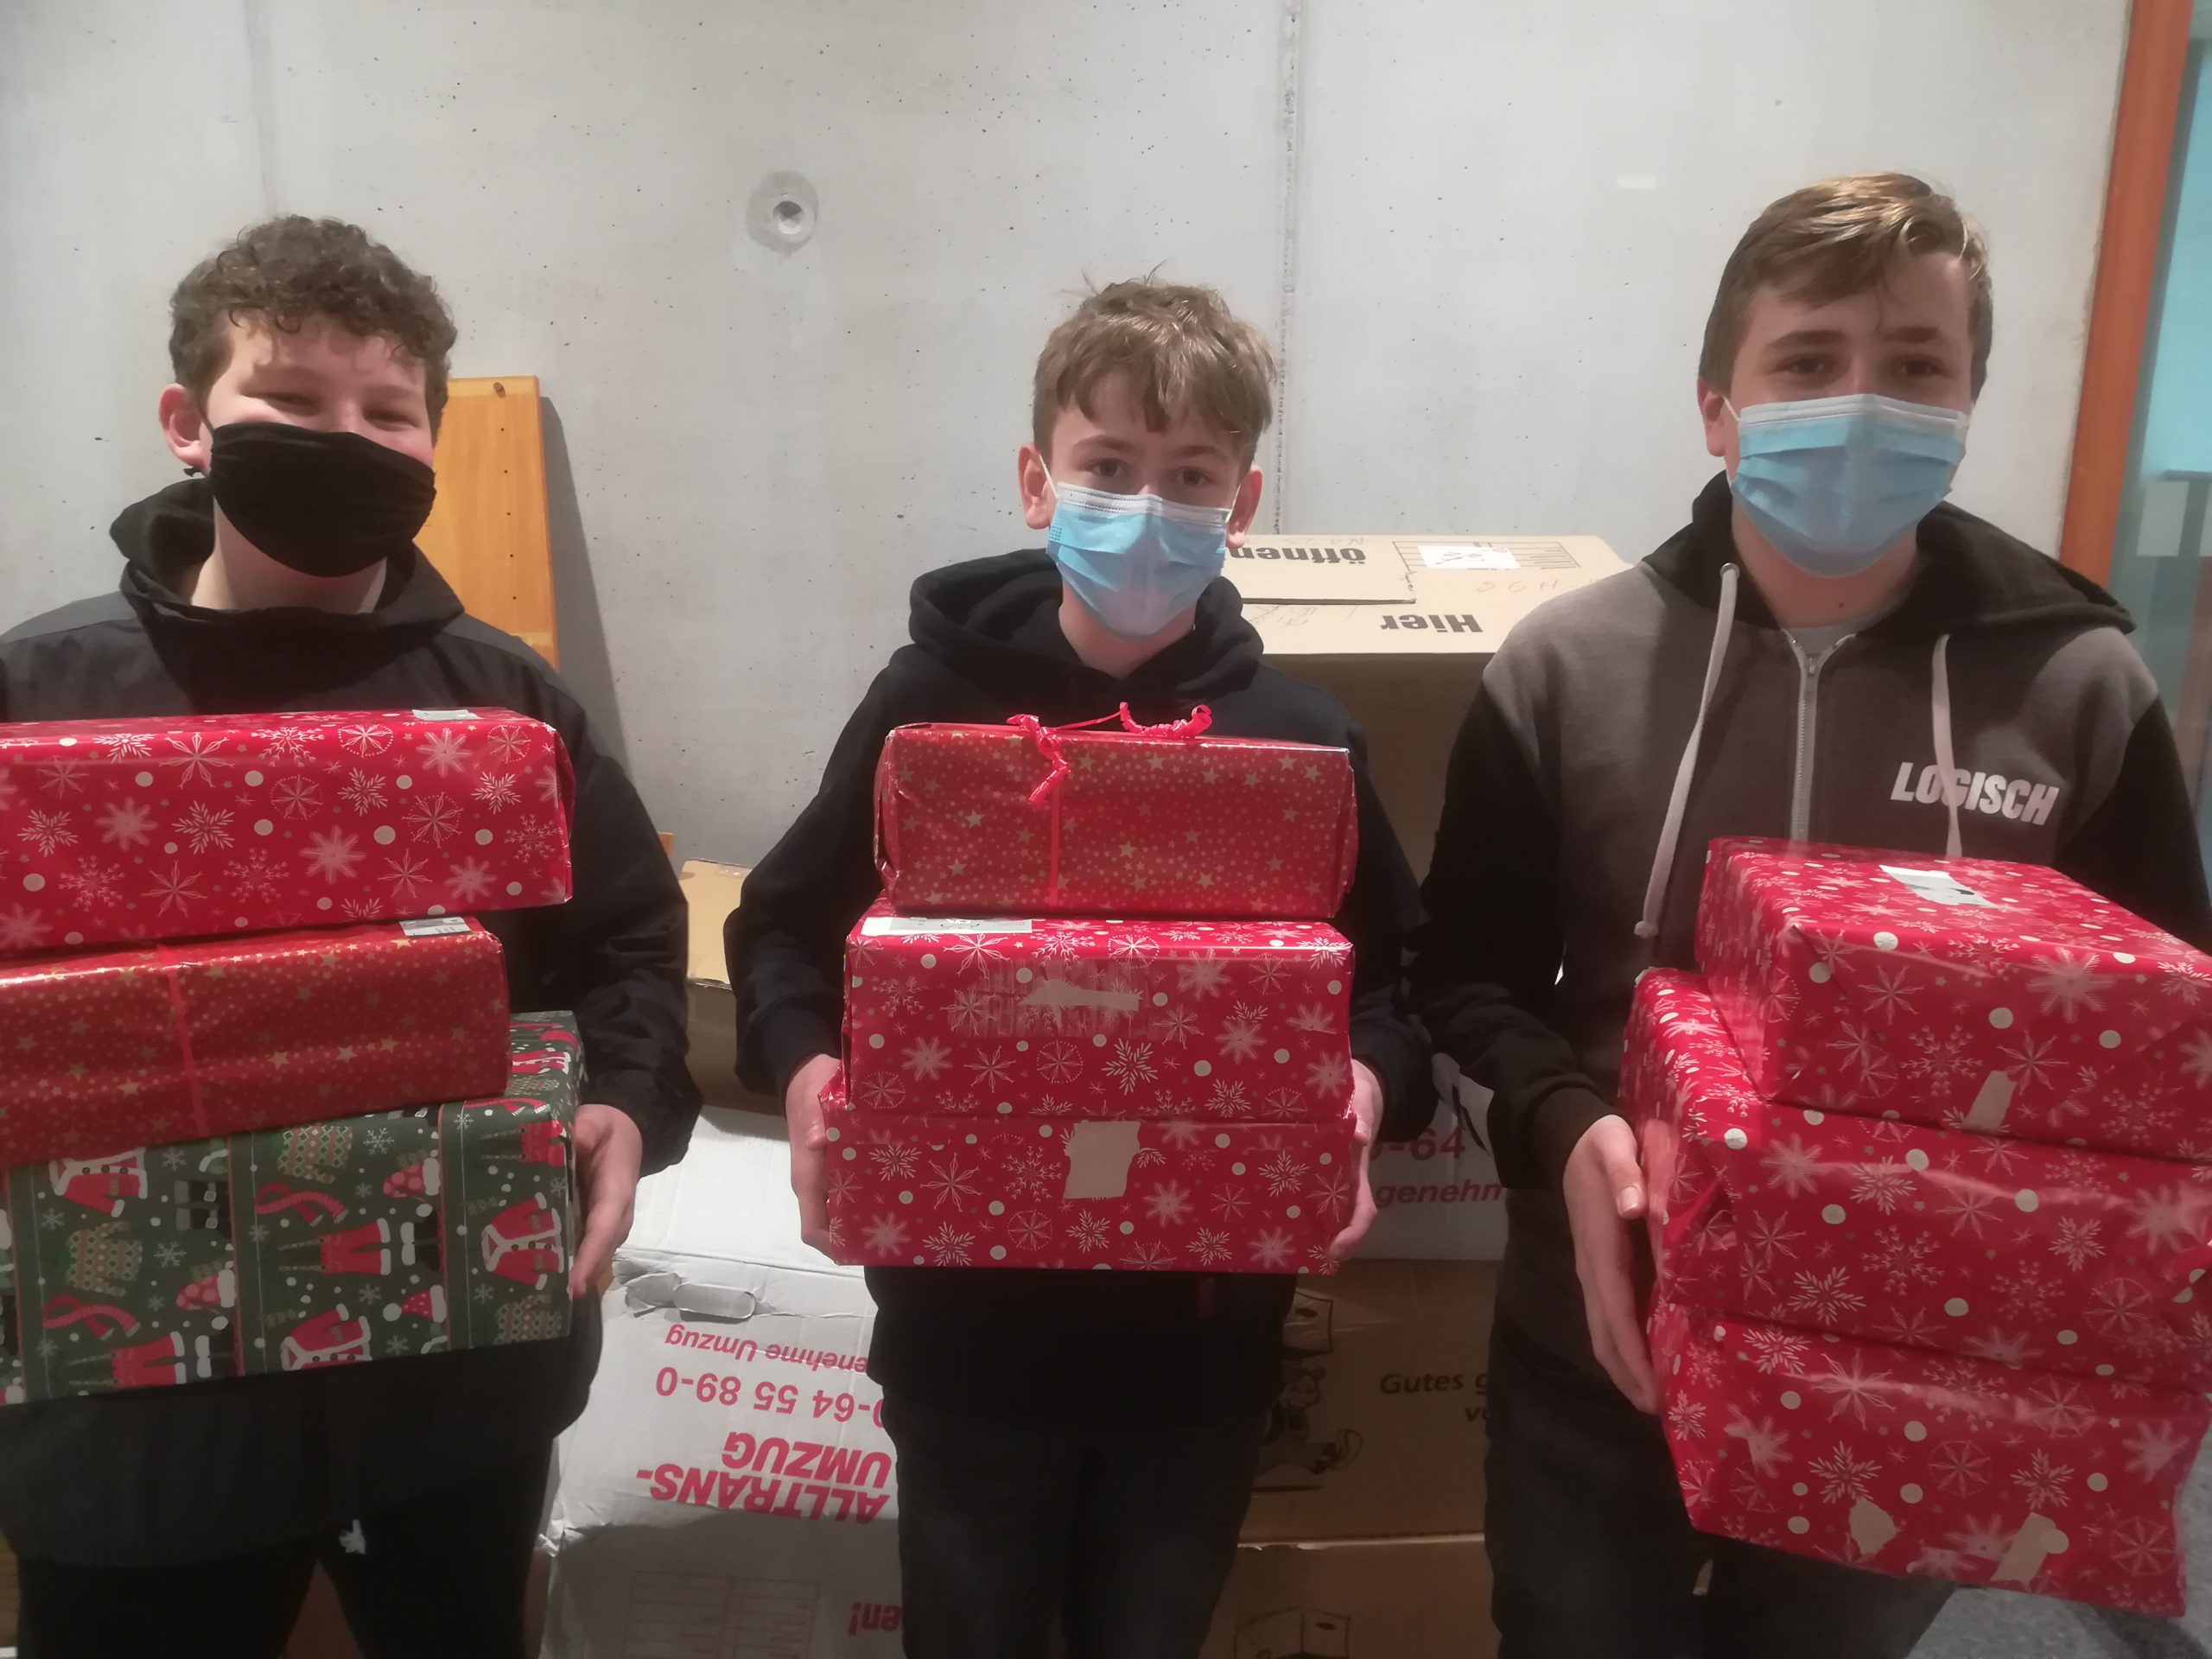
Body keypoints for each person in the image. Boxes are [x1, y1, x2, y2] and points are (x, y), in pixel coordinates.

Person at [1409, 173, 2212, 1658]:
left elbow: (2168, 1048)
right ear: (1718, 406)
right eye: (1807, 361)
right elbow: (1461, 978)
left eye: (1914, 365)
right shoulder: (1565, 669)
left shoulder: (2081, 686)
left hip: (1923, 1352)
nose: (1860, 403)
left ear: (1969, 402)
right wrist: (1561, 1129)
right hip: (1603, 1318)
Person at [0, 217, 700, 1658]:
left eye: (389, 412)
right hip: (134, 1413)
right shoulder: (41, 700)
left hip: (453, 1386)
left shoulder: (506, 705)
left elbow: (629, 938)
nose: (347, 439)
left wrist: (629, 1098)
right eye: (292, 399)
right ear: (188, 422)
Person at [730, 278, 1430, 1659]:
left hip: (1202, 1344)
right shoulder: (928, 709)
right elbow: (780, 929)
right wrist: (810, 1078)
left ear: (1243, 502)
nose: (1148, 506)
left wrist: (1362, 1092)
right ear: (1037, 480)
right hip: (966, 1333)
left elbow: (1395, 985)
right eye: (1108, 466)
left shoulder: (1297, 741)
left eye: (1192, 477)